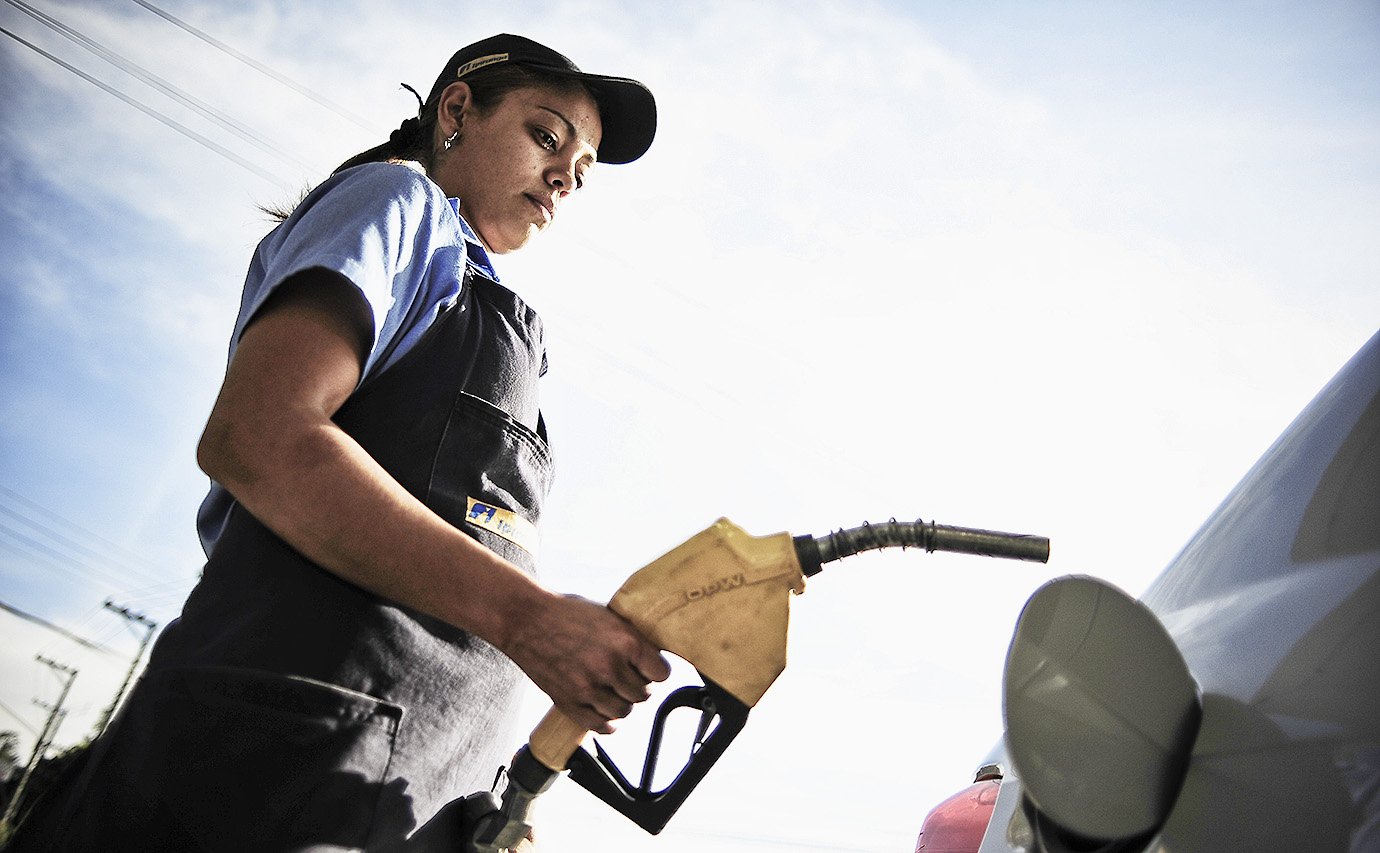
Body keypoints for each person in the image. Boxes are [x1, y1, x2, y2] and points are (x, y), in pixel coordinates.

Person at [12, 33, 670, 852]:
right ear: (456, 112)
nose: (569, 173)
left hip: (411, 789)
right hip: (280, 758)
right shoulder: (397, 205)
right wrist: (526, 617)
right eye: (547, 135)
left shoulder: (495, 305)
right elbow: (258, 435)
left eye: (585, 165)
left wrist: (482, 790)